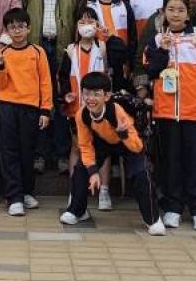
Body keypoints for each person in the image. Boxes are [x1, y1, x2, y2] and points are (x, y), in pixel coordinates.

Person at [141, 0, 196, 232]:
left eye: (181, 10)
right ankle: (173, 207)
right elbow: (151, 70)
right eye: (171, 9)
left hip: (195, 111)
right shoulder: (156, 39)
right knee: (170, 162)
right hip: (165, 113)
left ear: (188, 13)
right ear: (163, 12)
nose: (175, 14)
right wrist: (163, 50)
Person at [66, 72, 164, 235]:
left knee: (141, 174)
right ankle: (77, 211)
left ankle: (153, 219)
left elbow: (137, 147)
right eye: (86, 93)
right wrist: (93, 171)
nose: (90, 99)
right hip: (102, 141)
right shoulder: (81, 114)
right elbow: (85, 145)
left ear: (106, 96)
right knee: (81, 169)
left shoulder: (118, 111)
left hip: (127, 142)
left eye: (96, 94)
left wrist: (123, 134)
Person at [21, 0, 80, 173]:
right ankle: (39, 154)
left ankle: (62, 153)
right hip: (37, 45)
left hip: (63, 46)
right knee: (38, 99)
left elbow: (81, 14)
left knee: (63, 99)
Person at [0, 7, 51, 217]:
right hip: (7, 105)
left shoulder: (38, 52)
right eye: (12, 27)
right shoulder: (3, 53)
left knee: (28, 151)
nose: (17, 31)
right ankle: (14, 196)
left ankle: (26, 191)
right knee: (9, 151)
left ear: (29, 28)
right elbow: (0, 84)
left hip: (31, 107)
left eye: (21, 26)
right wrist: (0, 65)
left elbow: (45, 82)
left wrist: (45, 110)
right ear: (6, 30)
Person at [60, 9, 107, 200]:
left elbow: (111, 71)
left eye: (90, 21)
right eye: (82, 21)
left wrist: (104, 36)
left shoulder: (102, 47)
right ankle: (74, 190)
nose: (86, 25)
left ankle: (104, 190)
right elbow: (63, 76)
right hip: (77, 108)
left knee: (102, 147)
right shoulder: (71, 50)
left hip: (99, 107)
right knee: (77, 146)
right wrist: (66, 94)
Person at [90, 0, 135, 94]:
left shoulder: (124, 5)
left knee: (118, 92)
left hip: (121, 59)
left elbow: (132, 36)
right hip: (96, 56)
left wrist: (130, 64)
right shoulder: (88, 4)